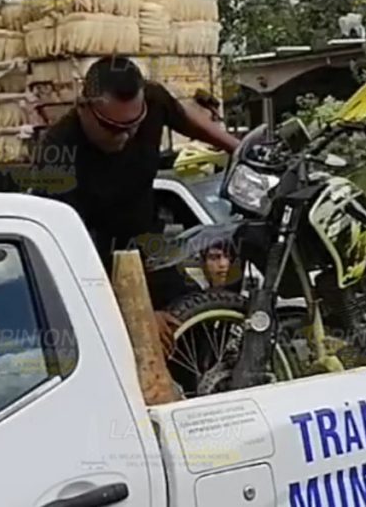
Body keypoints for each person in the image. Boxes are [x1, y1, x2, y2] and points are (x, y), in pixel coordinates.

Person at [28, 55, 240, 353]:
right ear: (84, 107)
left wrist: (238, 147)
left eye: (134, 125)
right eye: (113, 128)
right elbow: (68, 250)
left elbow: (186, 119)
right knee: (139, 348)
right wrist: (136, 312)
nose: (125, 136)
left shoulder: (153, 99)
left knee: (199, 333)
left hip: (147, 247)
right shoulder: (57, 151)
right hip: (96, 266)